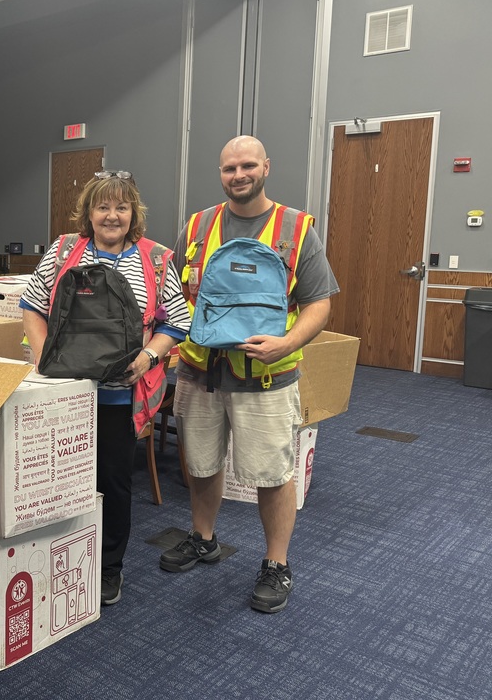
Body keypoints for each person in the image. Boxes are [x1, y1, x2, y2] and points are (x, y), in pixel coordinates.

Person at [159, 136, 339, 614]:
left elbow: (319, 302)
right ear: (220, 173)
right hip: (200, 370)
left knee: (272, 474)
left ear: (266, 167)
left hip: (266, 376)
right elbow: (173, 294)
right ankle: (203, 539)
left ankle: (276, 564)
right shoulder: (197, 225)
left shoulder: (297, 228)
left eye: (247, 166)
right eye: (229, 168)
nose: (238, 175)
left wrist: (288, 342)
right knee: (200, 463)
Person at [20, 170, 190, 607]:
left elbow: (178, 321)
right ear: (89, 213)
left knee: (113, 483)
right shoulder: (62, 252)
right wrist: (44, 358)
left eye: (121, 206)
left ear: (134, 213)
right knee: (56, 480)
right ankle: (54, 560)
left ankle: (108, 568)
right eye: (102, 206)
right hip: (63, 395)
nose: (112, 215)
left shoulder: (155, 259)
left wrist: (148, 357)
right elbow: (32, 306)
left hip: (119, 396)